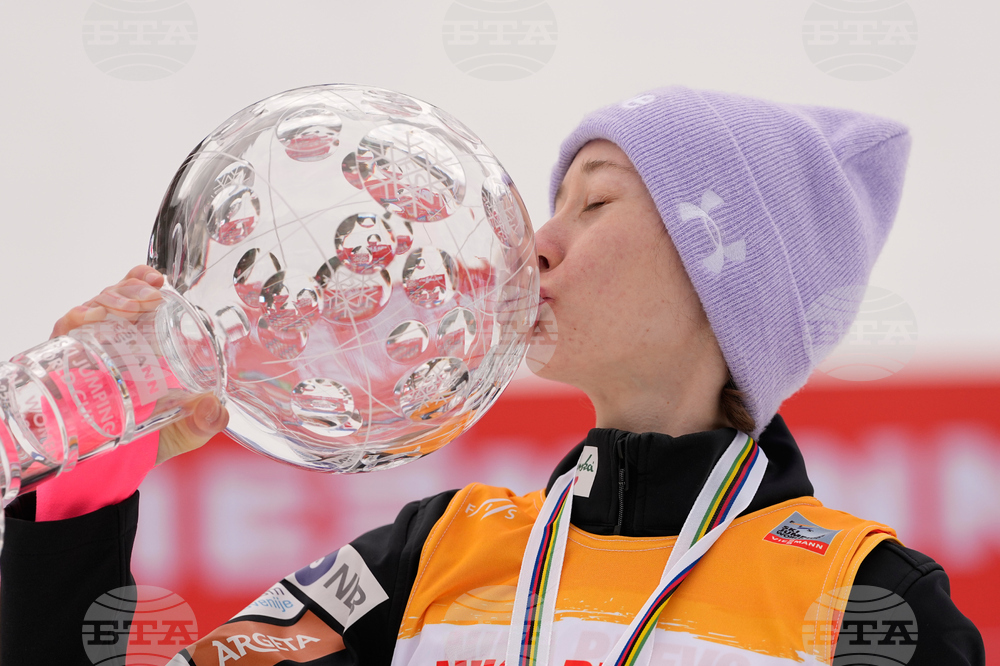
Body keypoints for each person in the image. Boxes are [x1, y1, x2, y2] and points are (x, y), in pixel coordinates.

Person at [0, 86, 985, 666]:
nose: (537, 245)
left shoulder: (866, 601)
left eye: (595, 204)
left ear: (724, 279)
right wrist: (85, 492)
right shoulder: (427, 559)